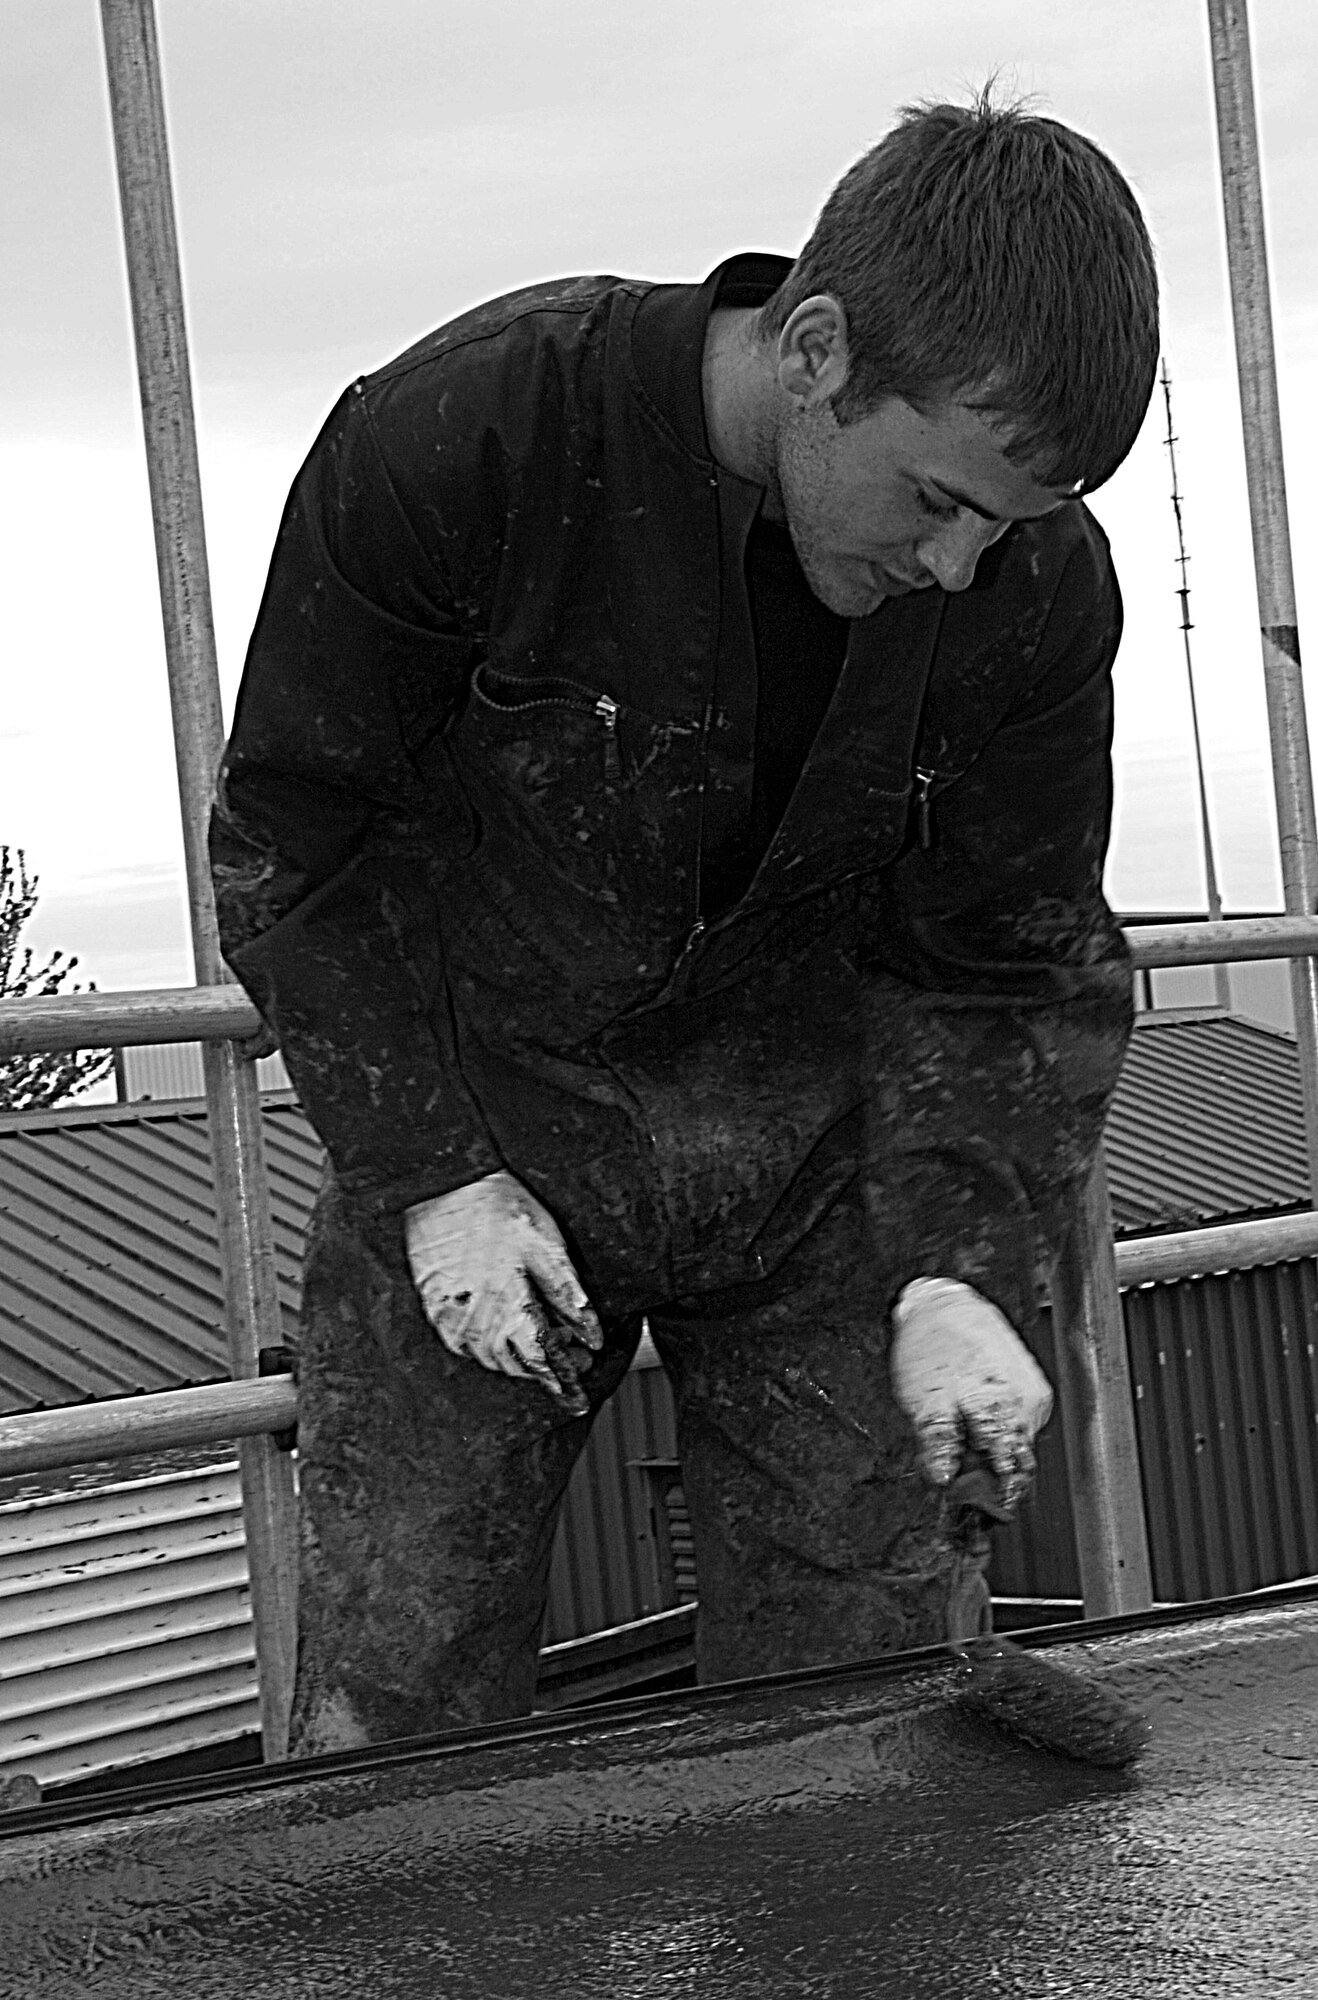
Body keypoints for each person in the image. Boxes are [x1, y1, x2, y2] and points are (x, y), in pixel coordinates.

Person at [211, 92, 1158, 1754]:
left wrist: (962, 1270)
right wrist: (430, 1173)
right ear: (813, 352)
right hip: (487, 1147)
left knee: (859, 1726)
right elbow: (297, 842)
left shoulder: (1031, 586)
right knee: (400, 1712)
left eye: (1006, 520)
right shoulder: (466, 442)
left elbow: (1006, 961)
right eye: (935, 497)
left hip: (819, 1190)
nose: (959, 564)